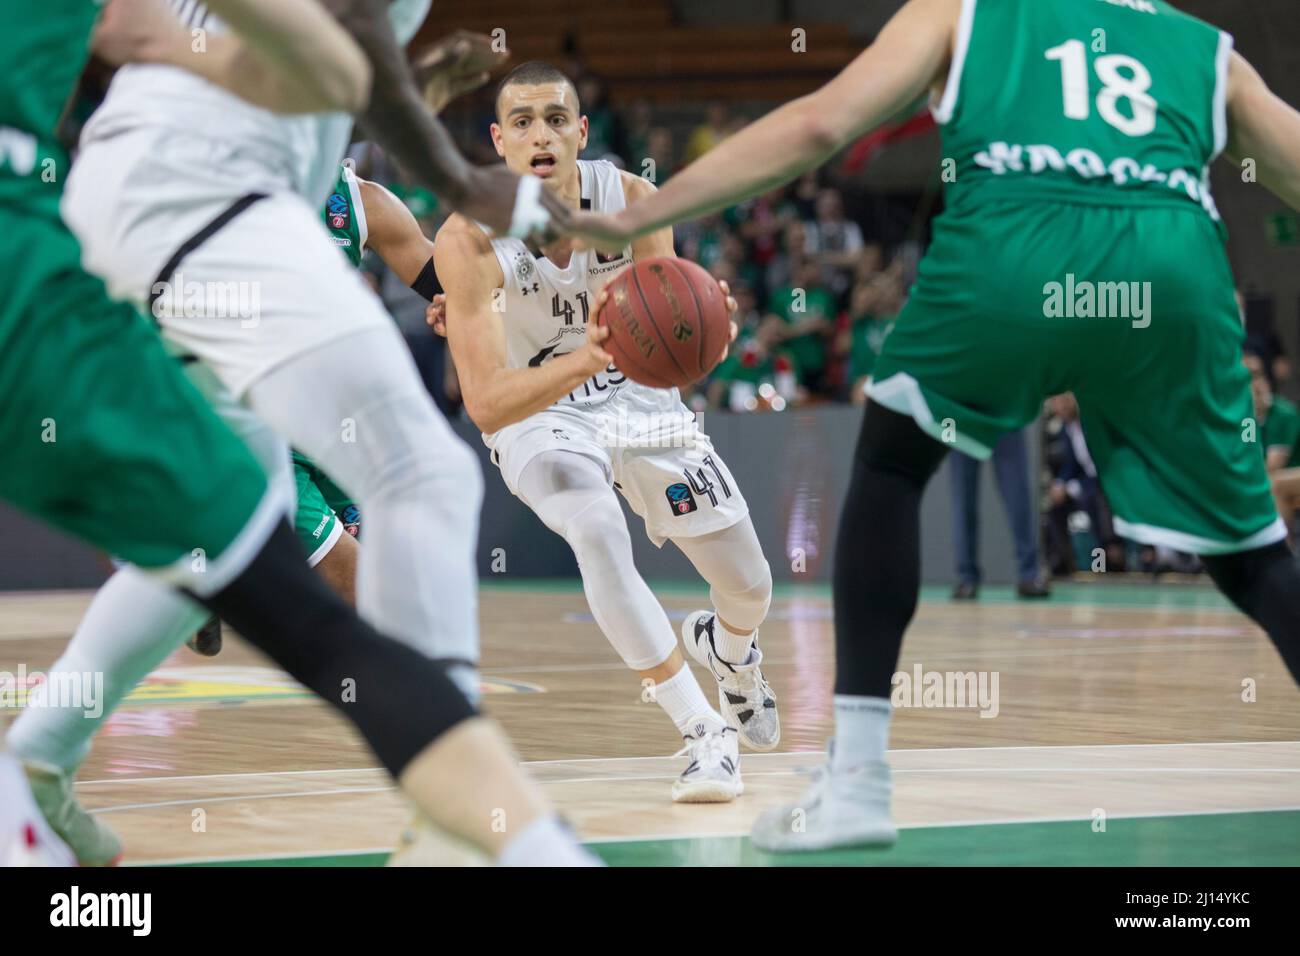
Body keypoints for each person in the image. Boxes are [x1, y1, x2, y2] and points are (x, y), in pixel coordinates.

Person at [568, 0, 1300, 852]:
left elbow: (816, 125)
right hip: (1173, 270)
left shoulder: (966, 11)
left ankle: (860, 785)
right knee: (1252, 555)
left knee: (890, 467)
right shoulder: (1206, 49)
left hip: (1016, 246)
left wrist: (626, 222)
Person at [2, 0, 591, 867]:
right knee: (422, 472)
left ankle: (40, 763)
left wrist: (407, 88)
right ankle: (451, 818)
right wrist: (462, 178)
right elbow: (341, 41)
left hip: (122, 195)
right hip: (207, 197)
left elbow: (310, 71)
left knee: (237, 515)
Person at [431, 62, 776, 803]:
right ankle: (702, 731)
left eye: (556, 118)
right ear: (498, 142)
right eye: (521, 121)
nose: (541, 134)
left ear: (583, 132)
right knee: (595, 529)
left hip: (638, 399)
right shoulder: (466, 238)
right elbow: (488, 404)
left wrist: (708, 325)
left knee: (750, 584)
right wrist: (592, 352)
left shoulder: (636, 202)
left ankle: (731, 648)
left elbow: (676, 322)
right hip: (538, 412)